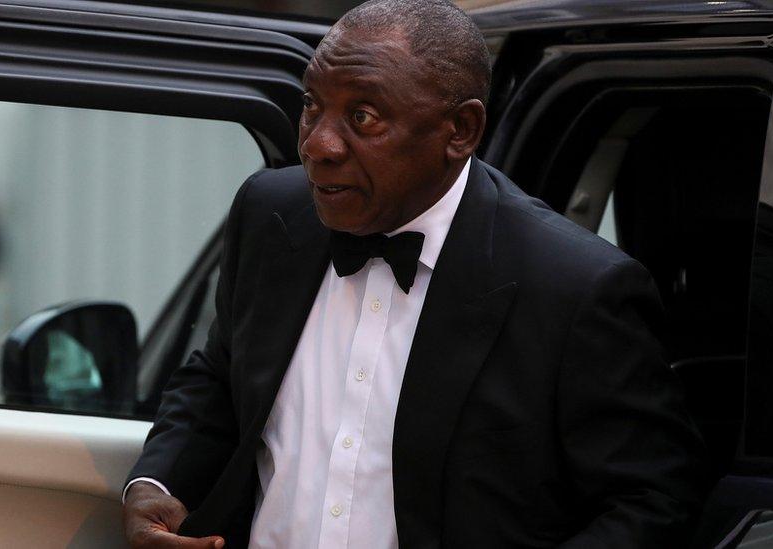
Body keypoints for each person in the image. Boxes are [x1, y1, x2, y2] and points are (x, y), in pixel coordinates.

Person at [123, 1, 708, 547]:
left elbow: (651, 500)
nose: (318, 144)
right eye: (311, 106)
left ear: (460, 131)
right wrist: (159, 482)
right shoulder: (270, 214)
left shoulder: (576, 287)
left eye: (364, 116)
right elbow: (218, 379)